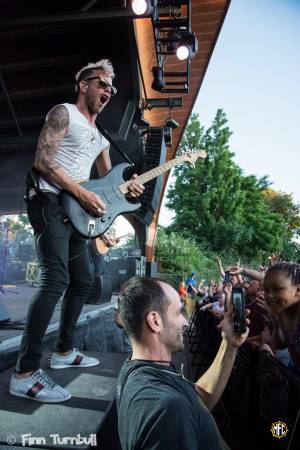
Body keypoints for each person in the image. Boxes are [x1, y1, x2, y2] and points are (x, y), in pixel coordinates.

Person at [9, 59, 144, 403]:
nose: (109, 92)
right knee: (56, 279)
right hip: (50, 201)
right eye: (103, 84)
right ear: (84, 85)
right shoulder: (64, 113)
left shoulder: (101, 137)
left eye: (112, 88)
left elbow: (109, 186)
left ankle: (64, 351)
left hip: (78, 215)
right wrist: (80, 192)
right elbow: (43, 160)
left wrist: (129, 192)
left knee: (82, 279)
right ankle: (24, 373)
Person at [117, 276, 249, 450]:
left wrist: (229, 344)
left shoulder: (140, 370)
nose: (186, 322)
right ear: (155, 321)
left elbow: (198, 400)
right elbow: (178, 407)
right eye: (179, 313)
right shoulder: (166, 408)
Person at [263, 262, 300, 372]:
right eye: (266, 290)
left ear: (298, 290)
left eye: (277, 289)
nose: (269, 295)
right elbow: (292, 350)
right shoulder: (281, 313)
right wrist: (277, 325)